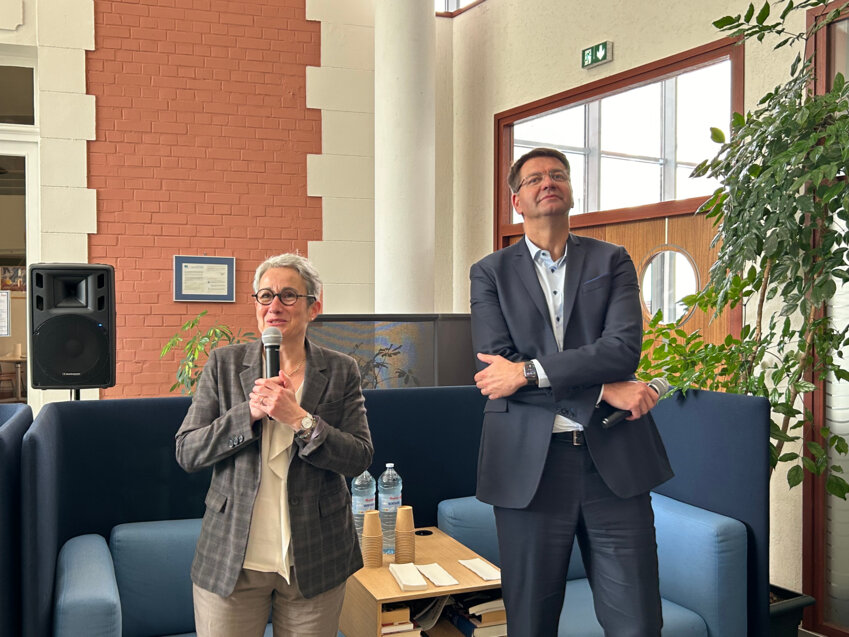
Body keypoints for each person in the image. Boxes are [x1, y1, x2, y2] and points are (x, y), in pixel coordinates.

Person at [470, 148, 674, 637]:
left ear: (571, 191)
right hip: (529, 469)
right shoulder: (490, 272)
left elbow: (622, 351)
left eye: (558, 174)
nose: (548, 182)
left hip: (614, 464)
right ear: (517, 201)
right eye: (535, 178)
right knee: (530, 624)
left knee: (638, 624)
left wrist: (529, 373)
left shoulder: (611, 260)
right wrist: (602, 389)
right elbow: (497, 369)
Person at [176, 253, 373, 637]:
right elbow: (188, 451)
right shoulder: (223, 364)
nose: (274, 306)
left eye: (288, 295)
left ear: (314, 307)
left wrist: (300, 419)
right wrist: (247, 414)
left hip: (315, 557)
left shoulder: (340, 369)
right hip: (232, 558)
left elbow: (359, 457)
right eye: (265, 296)